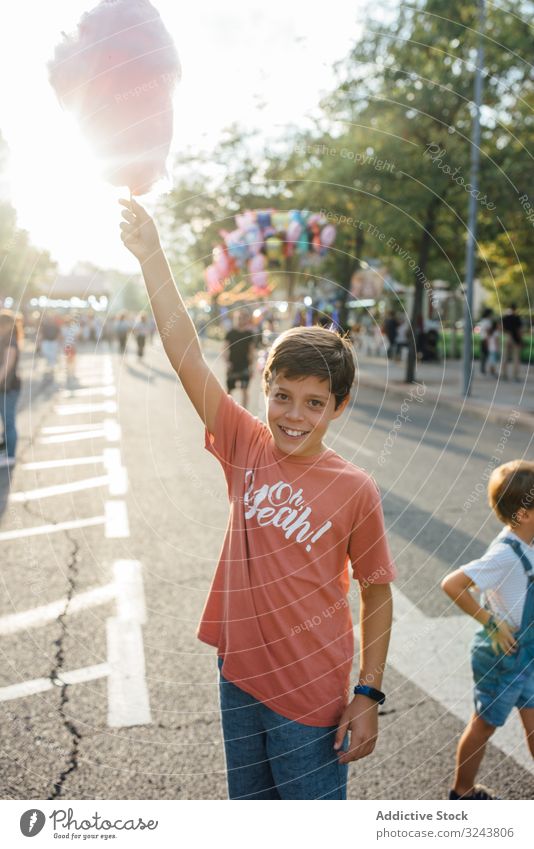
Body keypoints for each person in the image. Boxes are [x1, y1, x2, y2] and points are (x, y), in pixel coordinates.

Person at [119, 197, 396, 800]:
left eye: (315, 402)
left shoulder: (354, 488)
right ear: (264, 388)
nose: (295, 415)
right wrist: (152, 257)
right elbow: (184, 350)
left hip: (311, 693)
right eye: (284, 395)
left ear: (338, 407)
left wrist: (368, 693)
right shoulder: (246, 443)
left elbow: (377, 592)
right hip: (238, 676)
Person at [441, 460, 534, 800]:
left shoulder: (528, 537)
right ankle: (462, 792)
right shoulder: (504, 555)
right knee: (484, 724)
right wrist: (490, 622)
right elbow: (452, 584)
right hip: (503, 657)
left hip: (528, 656)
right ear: (523, 515)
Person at [0, 310, 23, 468]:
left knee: (8, 421)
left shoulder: (10, 341)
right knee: (6, 421)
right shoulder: (7, 339)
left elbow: (7, 365)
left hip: (8, 387)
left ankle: (10, 456)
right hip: (7, 387)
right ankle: (6, 452)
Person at [224, 310, 255, 409]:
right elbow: (225, 349)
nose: (240, 320)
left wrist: (251, 367)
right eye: (238, 318)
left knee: (245, 390)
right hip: (232, 365)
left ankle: (244, 411)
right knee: (229, 390)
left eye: (243, 318)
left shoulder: (249, 334)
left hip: (244, 365)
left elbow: (251, 352)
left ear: (246, 320)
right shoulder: (230, 333)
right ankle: (228, 409)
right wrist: (227, 363)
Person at [501, 303, 522, 381]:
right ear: (515, 309)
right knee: (516, 358)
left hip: (507, 337)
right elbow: (519, 330)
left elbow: (502, 328)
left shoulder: (505, 318)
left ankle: (504, 374)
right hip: (515, 339)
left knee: (505, 357)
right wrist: (520, 340)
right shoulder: (517, 318)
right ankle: (515, 376)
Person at [39, 313, 60, 380]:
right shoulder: (45, 326)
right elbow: (41, 333)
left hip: (53, 341)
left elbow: (58, 333)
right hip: (46, 341)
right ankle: (50, 363)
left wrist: (59, 341)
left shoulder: (56, 326)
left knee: (53, 354)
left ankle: (52, 366)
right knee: (46, 352)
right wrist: (39, 341)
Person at [478, 308, 493, 376]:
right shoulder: (487, 321)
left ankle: (482, 369)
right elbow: (488, 331)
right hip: (486, 340)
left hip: (482, 339)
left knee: (483, 355)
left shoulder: (482, 320)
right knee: (487, 355)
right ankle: (485, 369)